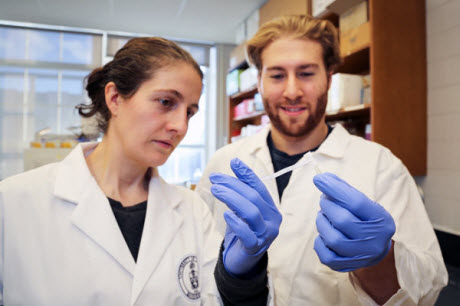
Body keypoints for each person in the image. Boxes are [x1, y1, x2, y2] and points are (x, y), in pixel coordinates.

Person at [0, 37, 280, 305]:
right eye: (166, 102)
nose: (180, 126)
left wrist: (242, 275)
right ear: (114, 98)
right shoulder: (13, 201)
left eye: (190, 112)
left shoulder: (192, 209)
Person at [196, 15, 448, 305]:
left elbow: (428, 290)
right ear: (260, 83)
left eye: (306, 73)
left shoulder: (381, 166)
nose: (292, 91)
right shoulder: (223, 163)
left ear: (329, 78)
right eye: (277, 75)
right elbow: (192, 277)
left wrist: (380, 260)